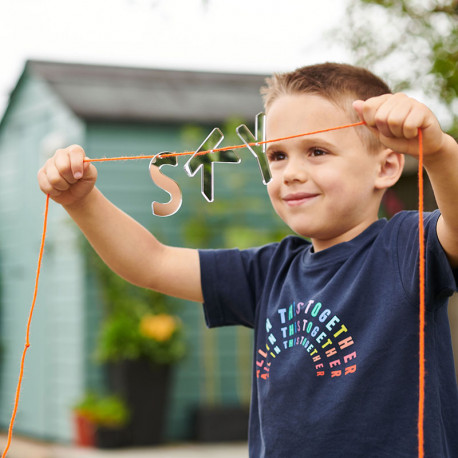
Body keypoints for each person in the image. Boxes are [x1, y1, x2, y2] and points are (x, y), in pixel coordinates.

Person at [38, 63, 458, 457]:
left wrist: (439, 151)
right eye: (277, 156)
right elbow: (151, 263)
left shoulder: (404, 247)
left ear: (385, 168)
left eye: (316, 151)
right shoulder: (269, 271)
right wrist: (82, 201)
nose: (290, 172)